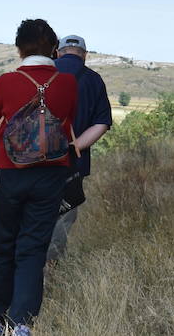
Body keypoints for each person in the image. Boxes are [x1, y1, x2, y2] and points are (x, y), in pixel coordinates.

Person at [0, 18, 78, 336]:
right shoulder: (67, 83)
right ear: (53, 48)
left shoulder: (6, 81)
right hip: (50, 173)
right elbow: (67, 120)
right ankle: (22, 323)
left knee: (2, 245)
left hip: (9, 171)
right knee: (33, 247)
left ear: (20, 49)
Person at [48, 33, 112, 262]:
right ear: (84, 55)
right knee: (62, 215)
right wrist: (75, 145)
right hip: (72, 164)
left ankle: (27, 265)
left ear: (58, 52)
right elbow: (102, 123)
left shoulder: (41, 74)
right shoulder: (94, 79)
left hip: (34, 160)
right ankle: (51, 267)